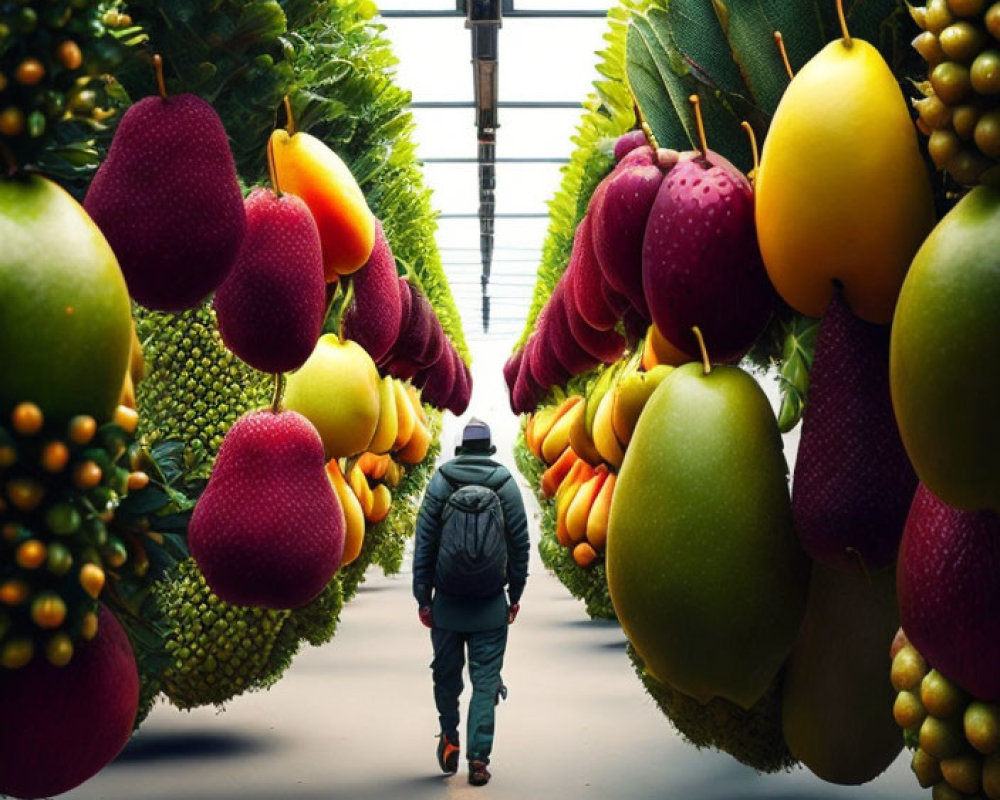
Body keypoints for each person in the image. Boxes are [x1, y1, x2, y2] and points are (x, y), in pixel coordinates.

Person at [412, 418, 530, 787]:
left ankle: (449, 734)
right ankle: (478, 760)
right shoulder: (506, 485)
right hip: (491, 606)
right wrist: (515, 595)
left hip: (447, 605)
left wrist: (423, 598)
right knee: (485, 682)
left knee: (447, 678)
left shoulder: (441, 482)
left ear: (461, 448)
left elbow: (425, 545)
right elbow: (520, 546)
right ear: (489, 449)